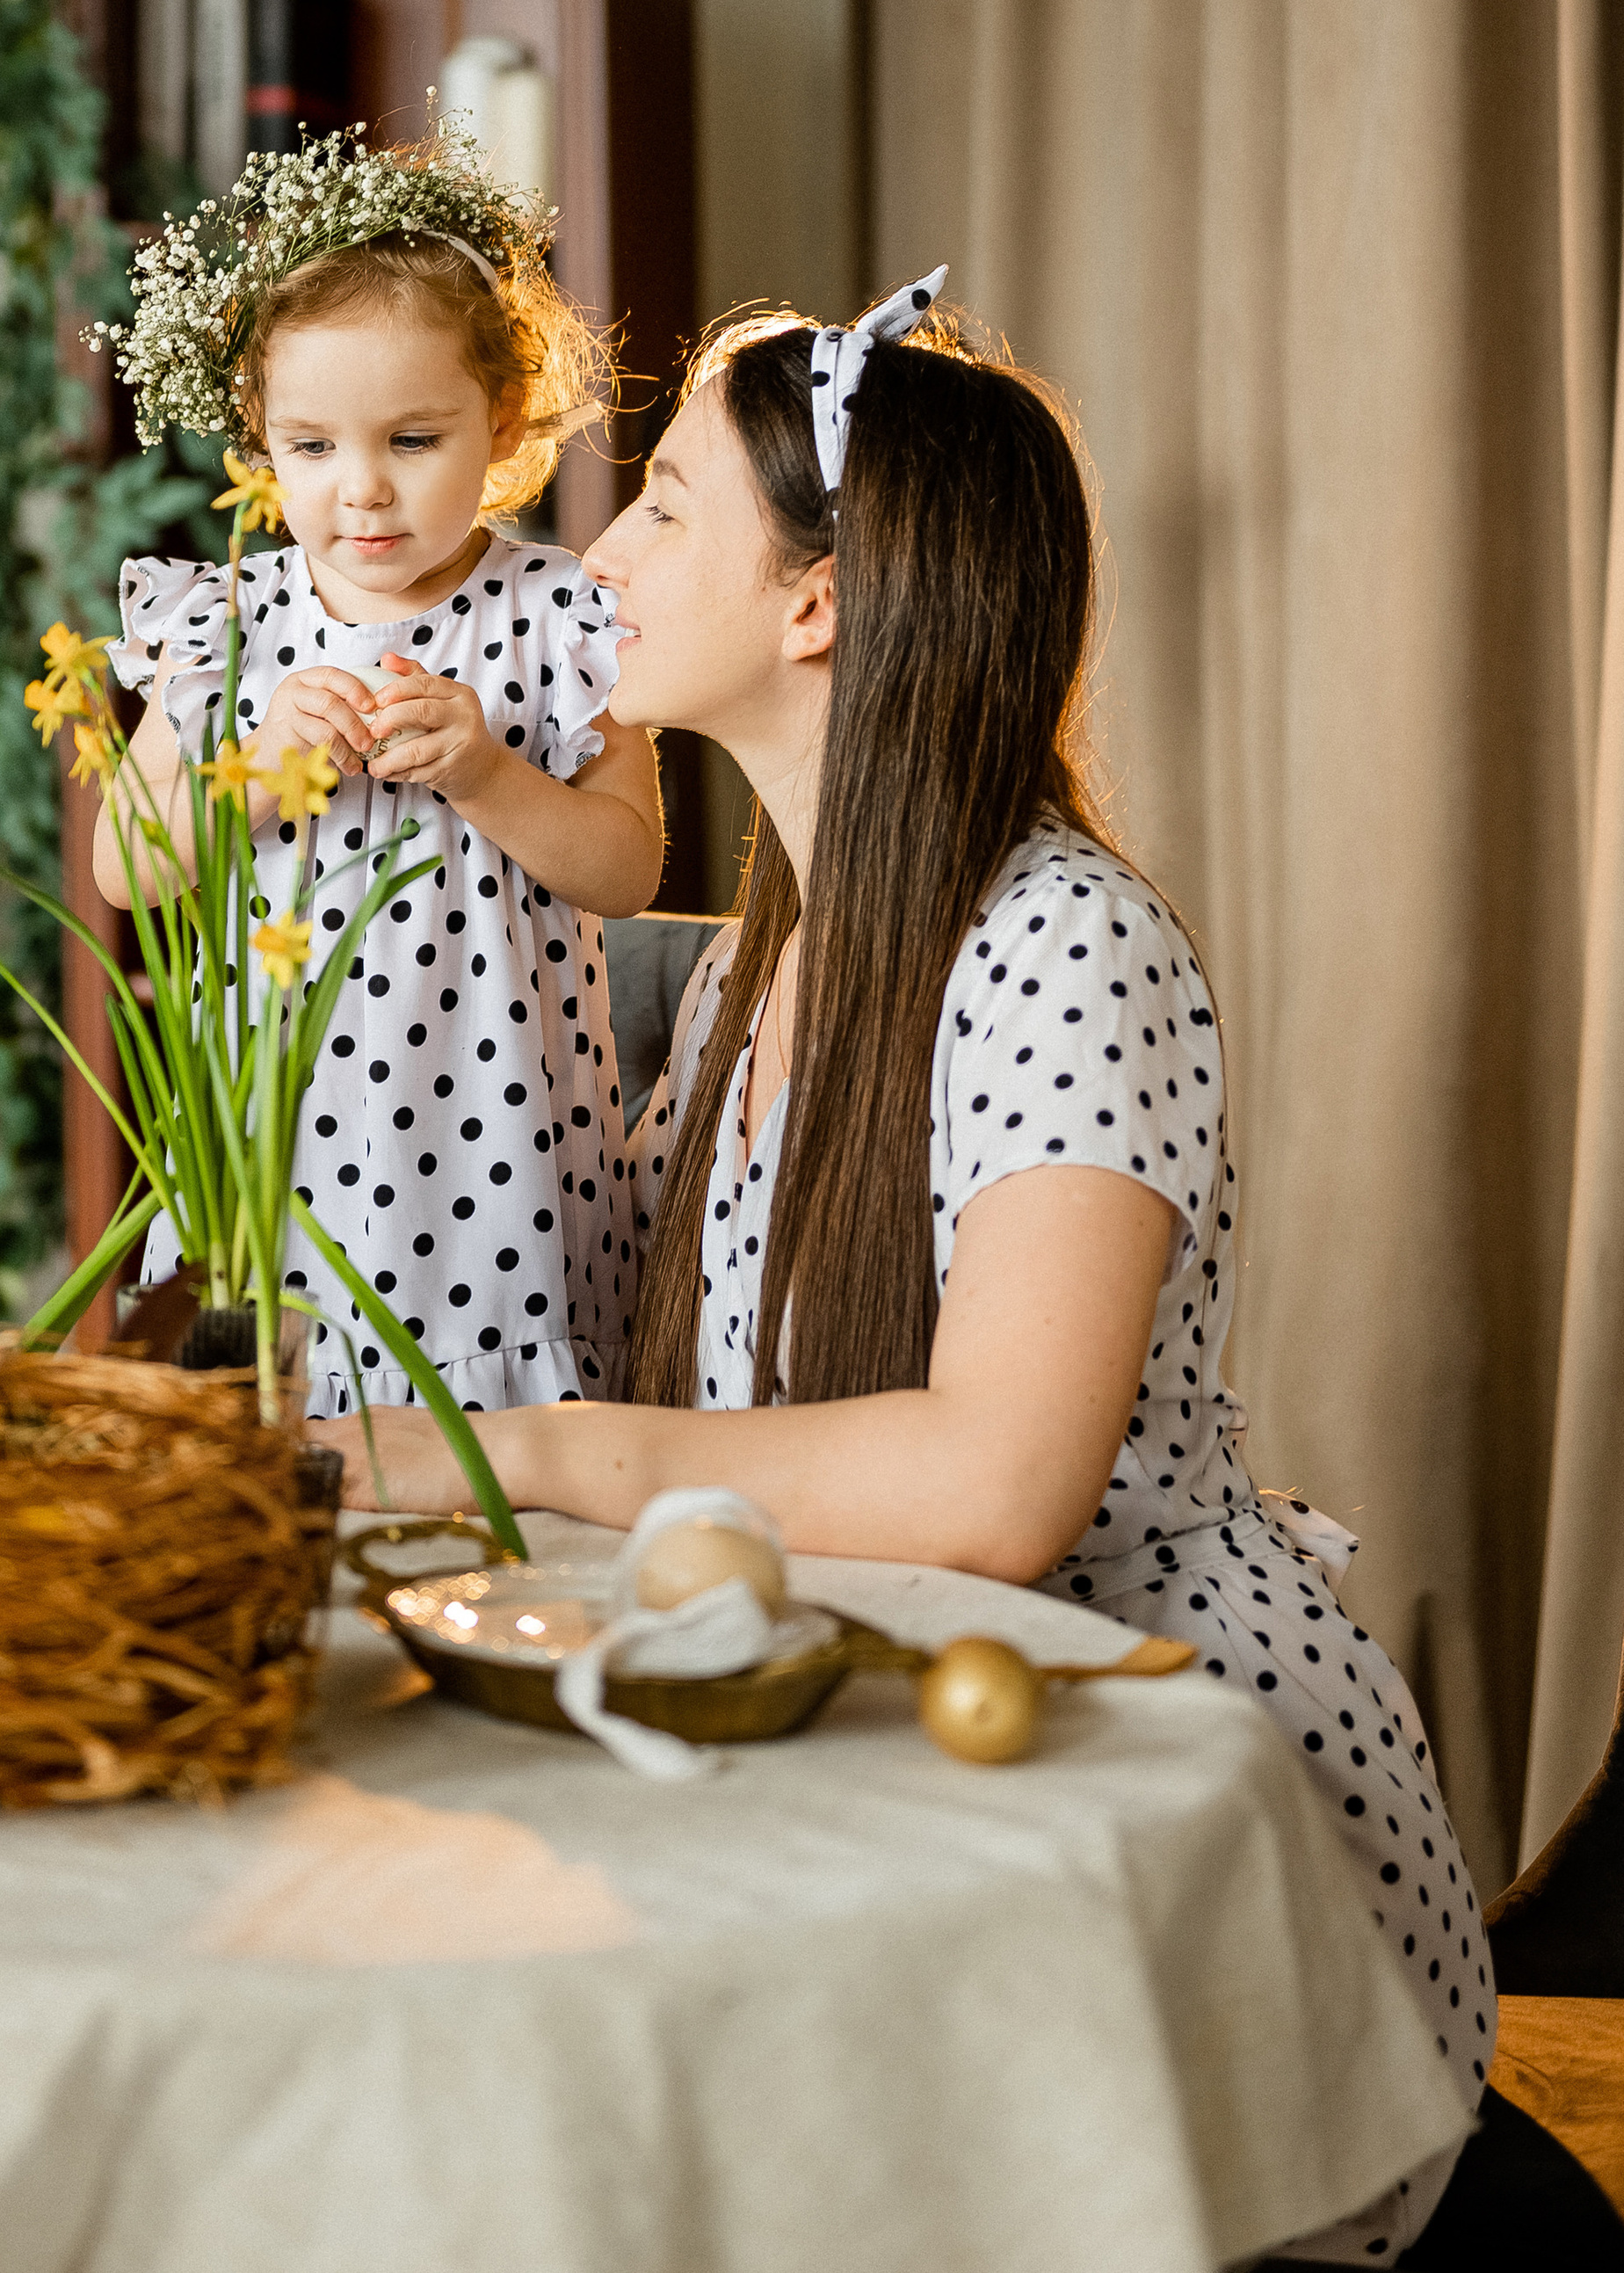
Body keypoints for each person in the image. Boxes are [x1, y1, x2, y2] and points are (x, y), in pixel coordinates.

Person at [324, 275, 1488, 2264]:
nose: (594, 551)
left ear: (816, 602)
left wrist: (501, 1451)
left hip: (1164, 1862)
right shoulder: (755, 964)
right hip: (925, 1767)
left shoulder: (1057, 948)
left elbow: (990, 1486)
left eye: (666, 503)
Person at [94, 120, 665, 1426]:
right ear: (260, 436)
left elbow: (628, 869)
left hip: (496, 1140)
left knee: (490, 1466)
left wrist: (488, 774)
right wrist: (249, 769)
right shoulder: (222, 621)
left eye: (412, 440)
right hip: (278, 1150)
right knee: (272, 1441)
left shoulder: (561, 617)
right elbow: (125, 864)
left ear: (504, 419)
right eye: (311, 447)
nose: (362, 492)